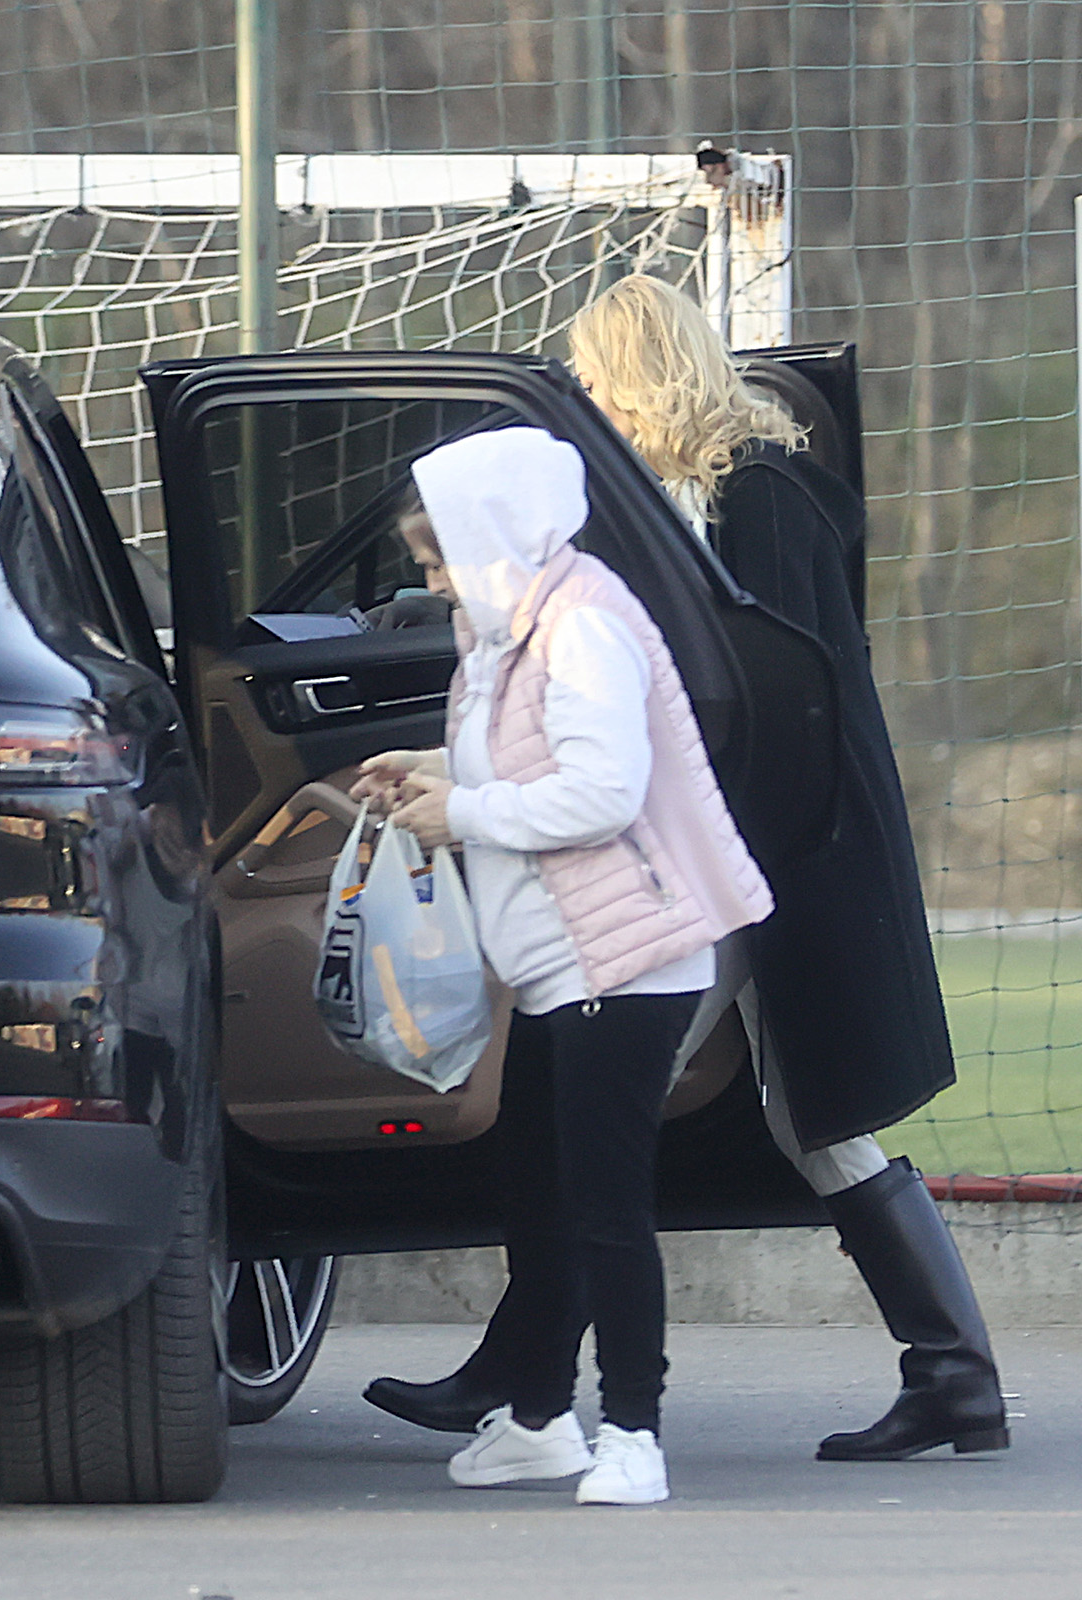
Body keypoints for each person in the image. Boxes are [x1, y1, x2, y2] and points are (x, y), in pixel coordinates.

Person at [364, 275, 1010, 1465]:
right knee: (790, 1119)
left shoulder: (754, 499)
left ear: (640, 376)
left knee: (604, 1105)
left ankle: (530, 1384)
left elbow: (771, 701)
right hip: (753, 859)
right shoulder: (701, 501)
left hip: (758, 861)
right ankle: (953, 1376)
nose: (585, 399)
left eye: (596, 377)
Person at [351, 425, 774, 1504]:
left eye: (440, 557)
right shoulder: (510, 631)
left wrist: (463, 812)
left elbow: (603, 792)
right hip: (560, 967)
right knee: (540, 1199)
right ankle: (539, 1419)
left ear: (496, 537)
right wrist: (429, 770)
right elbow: (524, 758)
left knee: (605, 1208)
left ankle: (634, 1431)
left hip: (622, 962)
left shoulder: (581, 628)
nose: (432, 580)